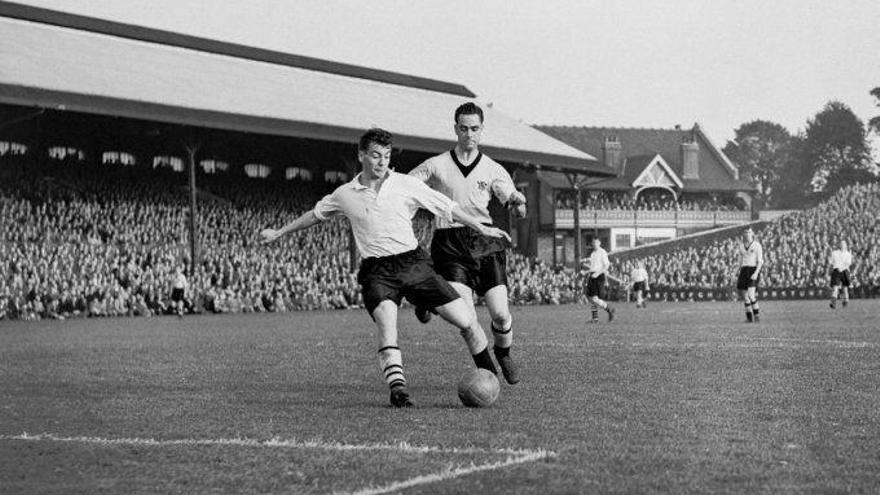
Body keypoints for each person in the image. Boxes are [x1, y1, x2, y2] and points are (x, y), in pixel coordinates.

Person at [260, 128, 510, 408]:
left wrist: (481, 227)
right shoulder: (345, 193)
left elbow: (447, 207)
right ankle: (398, 390)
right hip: (378, 272)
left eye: (387, 156)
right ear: (361, 155)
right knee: (387, 327)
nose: (381, 162)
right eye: (376, 156)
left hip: (414, 264)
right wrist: (280, 232)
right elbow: (315, 215)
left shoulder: (405, 184)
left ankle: (489, 377)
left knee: (467, 322)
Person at [408, 102, 526, 385]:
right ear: (455, 129)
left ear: (481, 131)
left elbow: (510, 197)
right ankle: (488, 373)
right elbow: (407, 185)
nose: (469, 134)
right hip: (450, 244)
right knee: (467, 318)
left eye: (474, 129)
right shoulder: (436, 165)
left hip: (485, 242)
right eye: (464, 128)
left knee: (500, 313)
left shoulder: (493, 169)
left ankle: (504, 352)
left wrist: (518, 203)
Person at [584, 238, 615, 323]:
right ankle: (595, 318)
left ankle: (609, 308)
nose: (594, 244)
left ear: (599, 243)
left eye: (596, 242)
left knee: (594, 298)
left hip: (598, 276)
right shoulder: (593, 254)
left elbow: (606, 265)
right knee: (591, 298)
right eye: (593, 242)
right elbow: (593, 267)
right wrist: (586, 272)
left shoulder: (602, 252)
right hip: (592, 275)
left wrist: (597, 273)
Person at [736, 228, 764, 322]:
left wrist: (756, 273)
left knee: (751, 295)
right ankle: (749, 318)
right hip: (744, 270)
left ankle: (757, 316)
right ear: (743, 234)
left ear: (752, 233)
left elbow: (760, 261)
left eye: (749, 232)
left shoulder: (757, 245)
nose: (747, 234)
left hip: (753, 270)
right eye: (745, 232)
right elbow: (740, 262)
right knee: (745, 296)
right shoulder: (741, 246)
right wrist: (736, 272)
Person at [828, 239, 852, 309]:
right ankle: (833, 304)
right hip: (836, 271)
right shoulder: (834, 253)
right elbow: (831, 263)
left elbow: (848, 264)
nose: (842, 245)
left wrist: (842, 268)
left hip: (845, 271)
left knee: (845, 288)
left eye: (843, 244)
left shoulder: (848, 254)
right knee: (835, 288)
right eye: (841, 244)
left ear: (846, 245)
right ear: (839, 245)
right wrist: (831, 271)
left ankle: (845, 303)